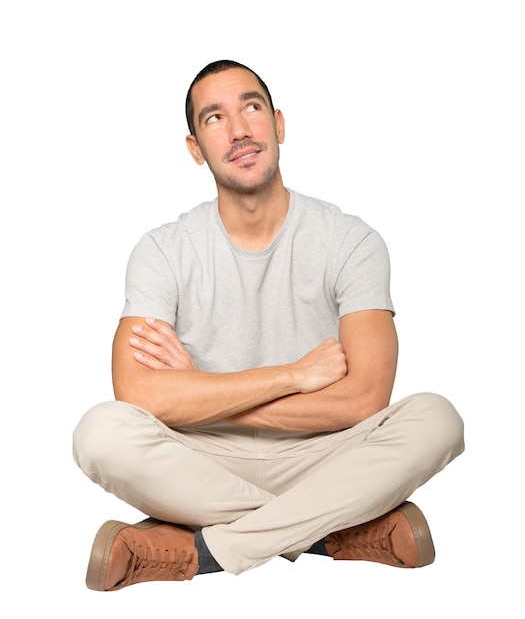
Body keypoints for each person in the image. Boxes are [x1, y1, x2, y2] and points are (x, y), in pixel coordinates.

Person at [72, 59, 465, 592]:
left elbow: (363, 400)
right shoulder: (162, 250)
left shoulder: (351, 241)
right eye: (214, 118)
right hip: (200, 454)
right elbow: (136, 394)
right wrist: (291, 376)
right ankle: (332, 534)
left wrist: (200, 388)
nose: (238, 131)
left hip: (322, 453)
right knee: (99, 432)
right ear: (195, 148)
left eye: (251, 108)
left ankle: (204, 551)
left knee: (437, 419)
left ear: (278, 124)